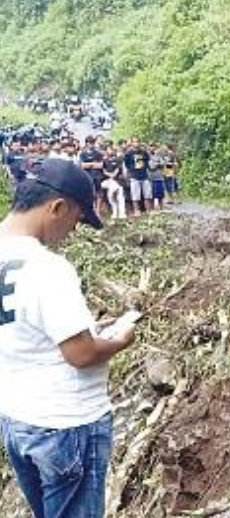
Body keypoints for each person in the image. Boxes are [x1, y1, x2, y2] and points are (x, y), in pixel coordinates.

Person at [0, 159, 136, 518]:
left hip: (17, 420)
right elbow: (81, 354)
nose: (73, 232)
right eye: (76, 220)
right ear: (57, 207)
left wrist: (84, 326)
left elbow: (20, 327)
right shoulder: (47, 267)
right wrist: (120, 339)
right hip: (65, 424)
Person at [123, 137, 152, 217]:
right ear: (131, 143)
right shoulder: (128, 154)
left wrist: (148, 171)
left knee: (147, 194)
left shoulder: (144, 152)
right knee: (135, 195)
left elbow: (147, 162)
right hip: (134, 176)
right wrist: (129, 174)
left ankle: (148, 209)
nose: (136, 143)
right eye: (134, 142)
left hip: (144, 175)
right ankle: (136, 210)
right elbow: (126, 164)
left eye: (137, 142)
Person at [79, 136, 106, 215]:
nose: (91, 145)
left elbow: (100, 165)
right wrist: (93, 164)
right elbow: (83, 165)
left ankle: (98, 211)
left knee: (99, 193)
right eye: (89, 143)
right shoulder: (82, 154)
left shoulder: (98, 153)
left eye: (92, 143)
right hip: (87, 176)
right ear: (86, 143)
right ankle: (92, 210)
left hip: (97, 175)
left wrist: (89, 164)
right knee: (90, 194)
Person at [101, 148, 127, 220]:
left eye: (111, 150)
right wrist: (109, 175)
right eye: (108, 150)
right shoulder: (105, 161)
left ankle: (122, 213)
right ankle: (115, 212)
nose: (110, 151)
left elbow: (118, 170)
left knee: (120, 197)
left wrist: (113, 175)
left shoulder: (118, 160)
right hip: (109, 181)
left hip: (118, 181)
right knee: (111, 196)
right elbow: (104, 170)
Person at [148, 144, 166, 212]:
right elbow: (150, 166)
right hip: (150, 178)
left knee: (160, 193)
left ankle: (161, 207)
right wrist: (156, 165)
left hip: (159, 177)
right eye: (150, 146)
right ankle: (152, 208)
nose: (152, 148)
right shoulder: (146, 156)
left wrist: (156, 165)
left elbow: (163, 164)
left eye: (153, 147)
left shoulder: (159, 156)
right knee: (151, 194)